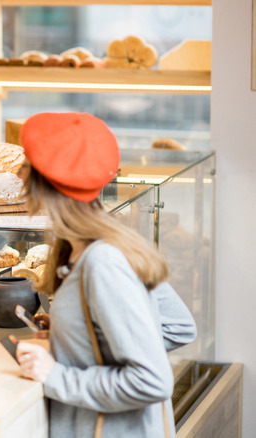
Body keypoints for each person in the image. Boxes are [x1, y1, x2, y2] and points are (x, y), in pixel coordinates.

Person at [13, 112, 197, 437]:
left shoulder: (103, 263)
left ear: (45, 182)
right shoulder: (108, 242)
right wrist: (81, 334)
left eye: (26, 164)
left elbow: (152, 380)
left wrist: (55, 376)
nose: (18, 172)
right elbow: (178, 326)